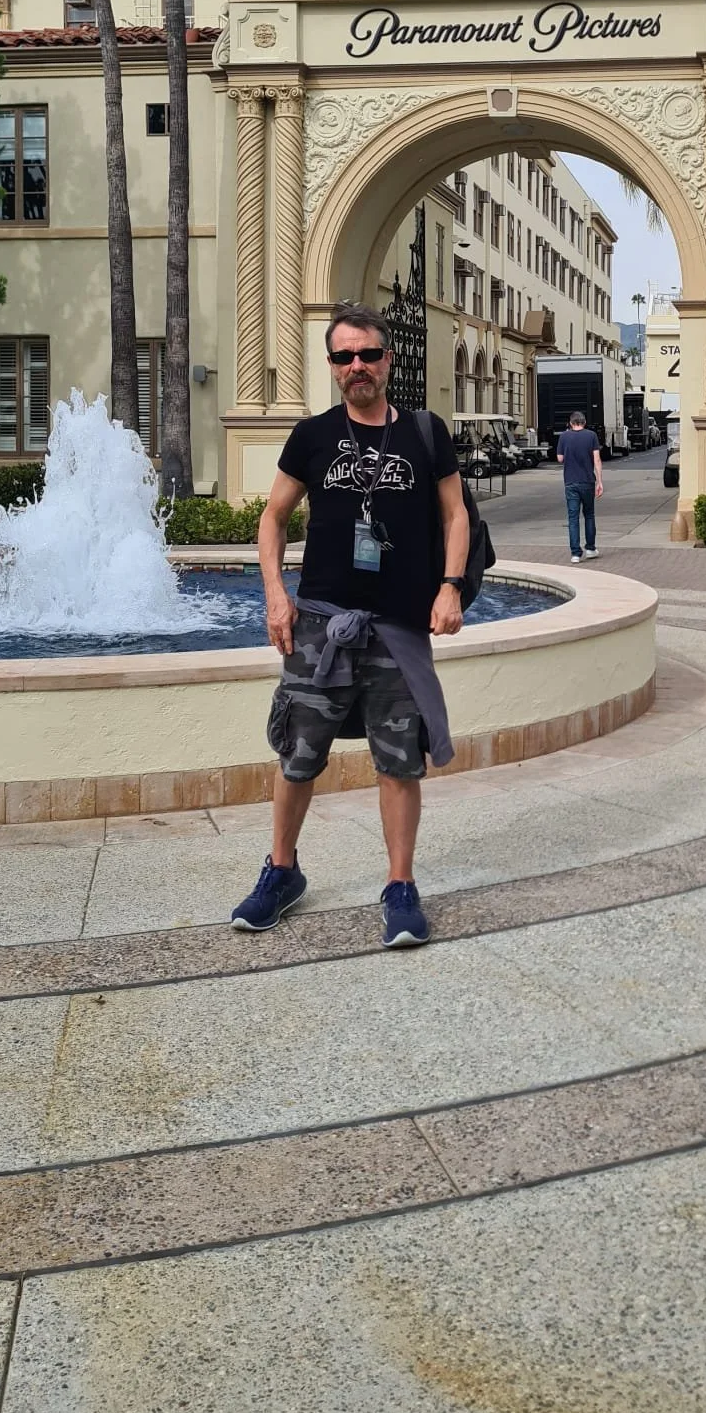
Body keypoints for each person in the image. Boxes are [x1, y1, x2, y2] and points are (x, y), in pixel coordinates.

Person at [231, 303, 469, 948]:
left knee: (400, 763)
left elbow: (455, 515)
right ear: (332, 365)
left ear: (388, 360)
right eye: (344, 356)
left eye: (367, 354)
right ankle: (282, 871)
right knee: (298, 756)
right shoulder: (311, 435)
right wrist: (276, 596)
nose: (356, 365)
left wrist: (450, 588)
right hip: (321, 626)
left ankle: (400, 886)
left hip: (398, 626)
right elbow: (274, 517)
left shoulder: (424, 432)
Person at [556, 408, 603, 562]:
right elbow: (597, 459)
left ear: (570, 423)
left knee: (573, 517)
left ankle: (575, 554)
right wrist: (599, 481)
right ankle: (590, 548)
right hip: (588, 481)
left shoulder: (564, 436)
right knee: (589, 515)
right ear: (584, 422)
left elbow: (560, 458)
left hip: (570, 481)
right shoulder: (591, 436)